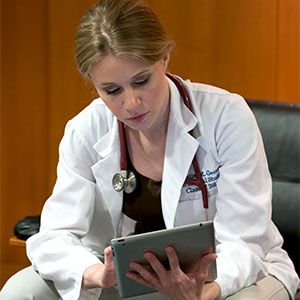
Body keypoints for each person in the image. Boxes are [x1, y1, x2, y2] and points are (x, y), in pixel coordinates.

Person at [1, 0, 299, 299]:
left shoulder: (225, 117)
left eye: (141, 81)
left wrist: (205, 293)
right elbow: (55, 236)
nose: (130, 103)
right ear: (94, 84)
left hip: (230, 274)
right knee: (21, 291)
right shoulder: (85, 130)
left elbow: (245, 240)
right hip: (128, 279)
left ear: (165, 59)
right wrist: (94, 274)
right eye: (112, 90)